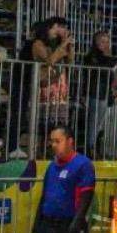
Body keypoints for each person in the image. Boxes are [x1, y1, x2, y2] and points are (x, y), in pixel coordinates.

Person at [32, 125, 94, 233]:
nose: (54, 145)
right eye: (52, 141)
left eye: (58, 141)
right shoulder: (51, 166)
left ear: (70, 141)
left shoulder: (83, 164)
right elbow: (45, 196)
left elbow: (86, 196)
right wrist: (37, 221)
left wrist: (77, 221)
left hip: (69, 224)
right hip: (48, 225)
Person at [32, 17, 73, 156]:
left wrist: (68, 46)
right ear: (54, 26)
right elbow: (50, 61)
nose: (65, 30)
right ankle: (41, 150)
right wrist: (63, 45)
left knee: (59, 122)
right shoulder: (39, 44)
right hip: (47, 85)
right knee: (45, 123)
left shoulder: (59, 44)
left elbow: (70, 62)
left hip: (60, 85)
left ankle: (55, 150)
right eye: (63, 27)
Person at [74, 31, 113, 157]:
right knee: (94, 122)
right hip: (95, 92)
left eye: (107, 42)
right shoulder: (92, 57)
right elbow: (97, 73)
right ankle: (89, 147)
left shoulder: (107, 58)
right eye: (103, 42)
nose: (106, 45)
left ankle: (95, 146)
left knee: (100, 123)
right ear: (96, 43)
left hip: (104, 93)